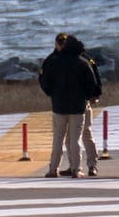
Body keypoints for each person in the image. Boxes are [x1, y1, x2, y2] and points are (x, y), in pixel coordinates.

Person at [39, 32, 98, 178]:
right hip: (78, 107)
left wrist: (52, 94)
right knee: (76, 139)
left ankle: (53, 169)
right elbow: (92, 83)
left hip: (59, 106)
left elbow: (44, 80)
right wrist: (88, 97)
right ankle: (76, 169)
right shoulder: (83, 62)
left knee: (58, 139)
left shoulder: (53, 61)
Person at [70, 35, 102, 178]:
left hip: (83, 102)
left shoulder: (86, 60)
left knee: (86, 133)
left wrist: (95, 95)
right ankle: (74, 165)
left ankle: (91, 164)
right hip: (71, 102)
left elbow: (96, 78)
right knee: (71, 136)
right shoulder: (67, 59)